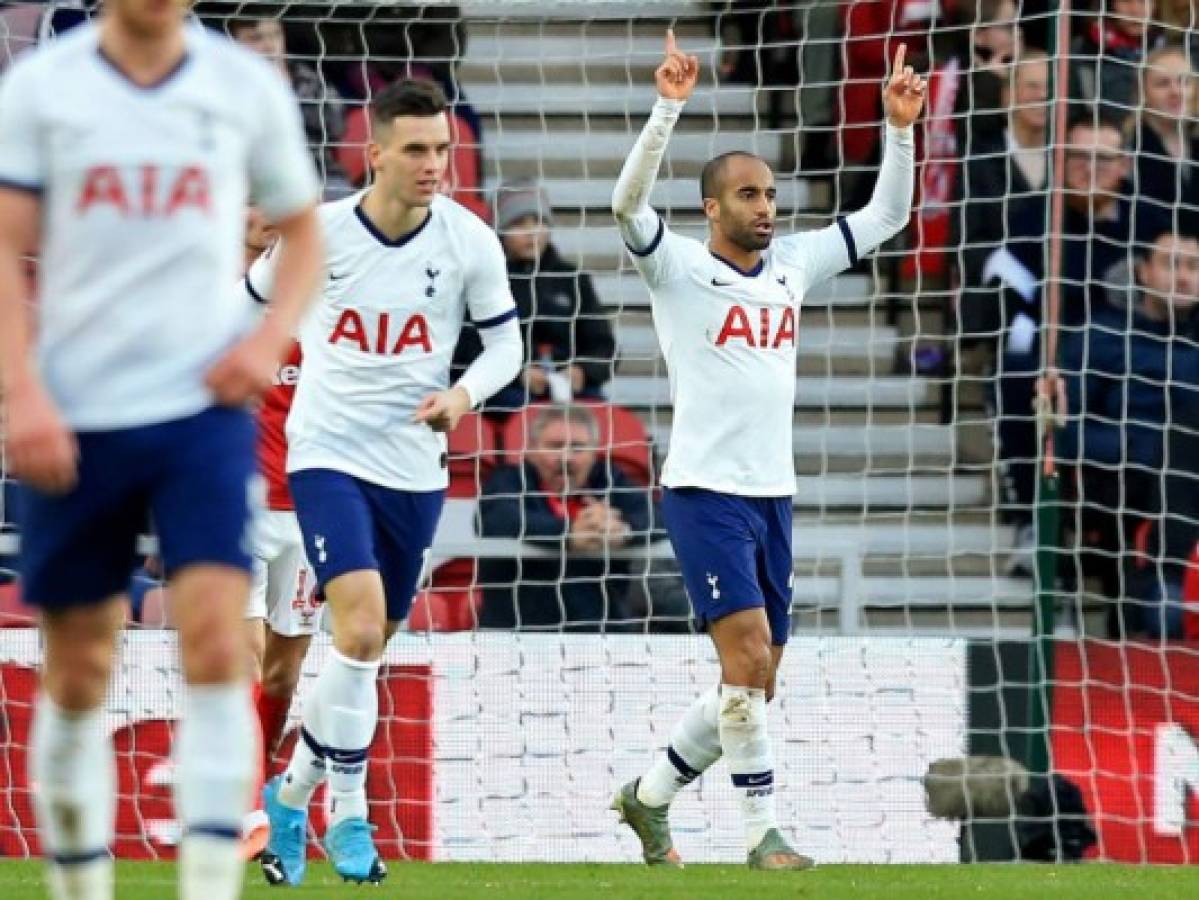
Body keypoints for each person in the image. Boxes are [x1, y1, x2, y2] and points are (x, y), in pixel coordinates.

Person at [0, 2, 323, 899]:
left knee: (220, 645)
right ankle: (79, 887)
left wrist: (264, 343)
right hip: (79, 405)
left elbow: (303, 232)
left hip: (201, 408)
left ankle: (211, 887)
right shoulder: (41, 87)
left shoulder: (239, 85)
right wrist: (20, 388)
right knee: (78, 664)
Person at [609, 32, 921, 869]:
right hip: (703, 491)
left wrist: (898, 128)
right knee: (745, 659)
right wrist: (667, 107)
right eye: (748, 195)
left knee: (753, 684)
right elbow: (626, 205)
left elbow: (886, 217)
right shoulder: (673, 267)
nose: (766, 206)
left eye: (771, 194)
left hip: (770, 494)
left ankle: (648, 799)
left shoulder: (791, 265)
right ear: (712, 208)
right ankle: (761, 836)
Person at [252, 78, 522, 886]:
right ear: (374, 153)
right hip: (326, 456)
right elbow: (246, 302)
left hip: (414, 471)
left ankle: (293, 794)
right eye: (415, 149)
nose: (434, 163)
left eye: (442, 148)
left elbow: (508, 347)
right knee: (360, 631)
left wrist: (464, 395)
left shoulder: (470, 240)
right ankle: (354, 815)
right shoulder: (320, 234)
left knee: (364, 652)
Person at [1057, 227, 1199, 629]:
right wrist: (1138, 447)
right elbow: (1066, 433)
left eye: (1194, 266)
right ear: (1143, 272)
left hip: (1189, 493)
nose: (1185, 277)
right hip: (1121, 490)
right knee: (1162, 614)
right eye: (1172, 264)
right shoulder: (1099, 337)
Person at [237, 208, 322, 862]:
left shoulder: (316, 299)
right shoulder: (206, 296)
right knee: (233, 659)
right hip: (228, 504)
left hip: (305, 506)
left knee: (281, 669)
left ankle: (262, 793)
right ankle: (240, 814)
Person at [476, 405, 656, 631]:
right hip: (518, 633)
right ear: (532, 450)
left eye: (578, 448)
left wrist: (622, 530)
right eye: (555, 446)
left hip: (603, 633)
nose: (566, 458)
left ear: (594, 453)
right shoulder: (508, 481)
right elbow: (498, 518)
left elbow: (657, 516)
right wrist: (569, 534)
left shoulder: (610, 479)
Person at [452, 180, 617, 412]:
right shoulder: (484, 278)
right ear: (499, 229)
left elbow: (603, 344)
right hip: (505, 393)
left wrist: (582, 371)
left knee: (598, 413)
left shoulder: (573, 279)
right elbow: (464, 350)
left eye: (538, 222)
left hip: (569, 391)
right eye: (519, 223)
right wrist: (518, 375)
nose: (532, 232)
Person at [958, 50, 1050, 349]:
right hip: (1000, 296)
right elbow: (967, 242)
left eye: (1049, 87)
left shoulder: (1069, 159)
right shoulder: (980, 160)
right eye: (1032, 86)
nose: (1042, 96)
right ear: (1008, 95)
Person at [226, 16, 350, 196]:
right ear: (233, 43)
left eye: (275, 35)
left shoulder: (307, 78)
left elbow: (337, 127)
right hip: (248, 178)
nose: (269, 46)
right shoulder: (224, 86)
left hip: (316, 173)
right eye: (256, 38)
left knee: (342, 195)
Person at [1132, 45, 1199, 238]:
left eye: (1185, 82)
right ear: (1143, 93)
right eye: (1163, 84)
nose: (1176, 92)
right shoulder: (1130, 149)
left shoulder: (1195, 144)